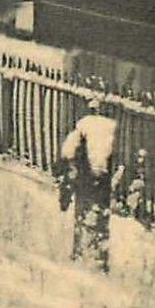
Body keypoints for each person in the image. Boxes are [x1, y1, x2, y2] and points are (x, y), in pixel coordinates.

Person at [55, 100, 119, 273]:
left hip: (84, 184)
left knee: (82, 218)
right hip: (102, 186)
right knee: (101, 221)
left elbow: (68, 158)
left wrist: (65, 192)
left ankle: (80, 253)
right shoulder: (112, 132)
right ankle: (99, 259)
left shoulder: (82, 130)